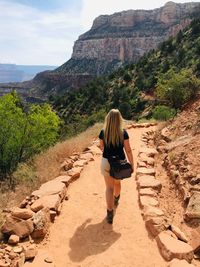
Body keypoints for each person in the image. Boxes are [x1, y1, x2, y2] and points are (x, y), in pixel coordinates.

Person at [99, 109, 134, 224]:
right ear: (120, 119)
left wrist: (109, 151)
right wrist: (132, 164)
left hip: (106, 161)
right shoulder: (123, 132)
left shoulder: (103, 132)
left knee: (109, 188)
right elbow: (128, 150)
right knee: (117, 183)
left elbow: (101, 147)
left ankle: (110, 213)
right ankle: (116, 199)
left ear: (108, 119)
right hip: (120, 163)